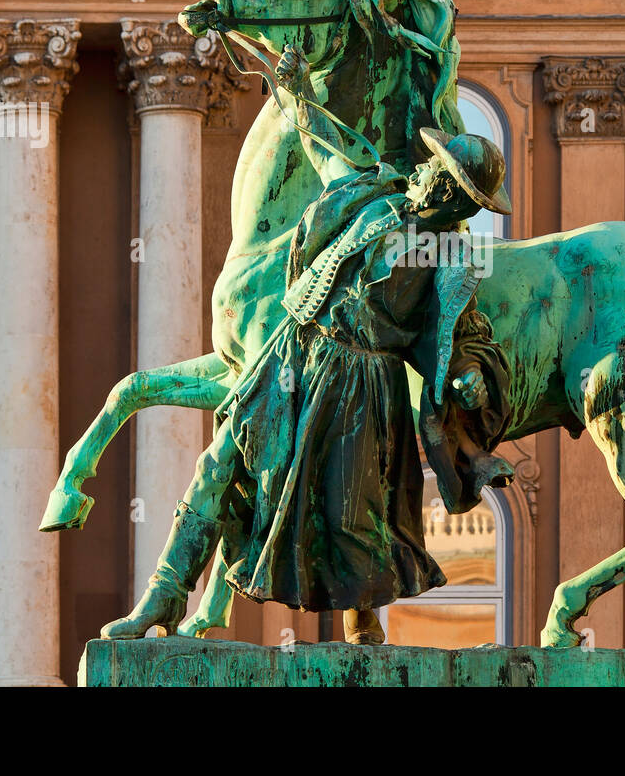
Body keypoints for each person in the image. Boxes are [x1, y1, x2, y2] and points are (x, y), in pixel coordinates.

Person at [101, 45, 515, 644]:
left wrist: (467, 377)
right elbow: (324, 145)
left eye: (436, 168)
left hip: (363, 387)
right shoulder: (372, 198)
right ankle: (162, 601)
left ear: (452, 194)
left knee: (353, 522)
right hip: (294, 354)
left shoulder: (450, 260)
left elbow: (460, 336)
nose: (422, 169)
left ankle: (364, 632)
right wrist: (296, 90)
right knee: (219, 466)